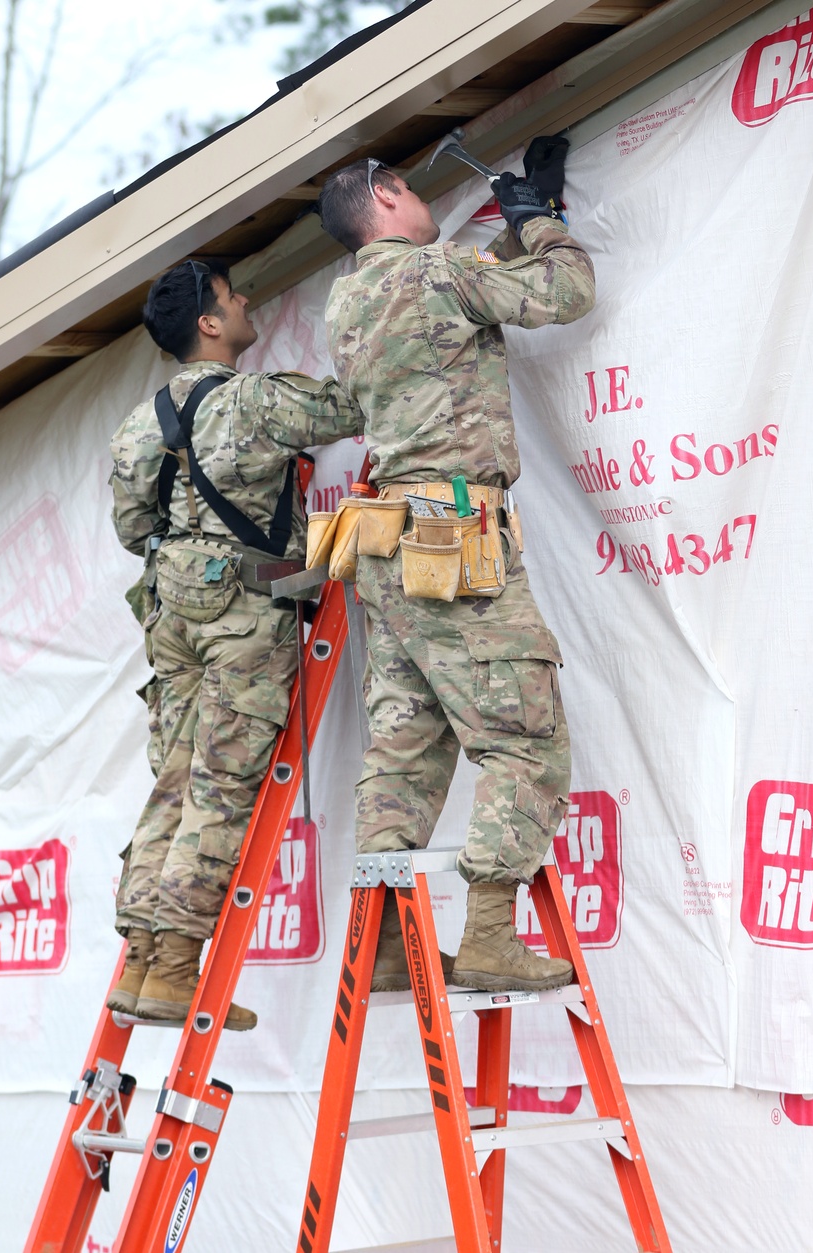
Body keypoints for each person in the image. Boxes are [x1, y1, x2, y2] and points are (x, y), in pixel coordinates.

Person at [317, 157, 595, 992]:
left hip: (386, 545)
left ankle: (388, 945)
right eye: (415, 188)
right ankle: (486, 935)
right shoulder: (442, 270)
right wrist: (540, 220)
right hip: (455, 538)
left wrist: (509, 229)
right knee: (525, 738)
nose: (431, 202)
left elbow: (463, 308)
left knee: (404, 744)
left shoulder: (345, 301)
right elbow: (563, 292)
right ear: (388, 196)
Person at [108, 258, 363, 1026]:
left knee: (175, 781)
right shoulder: (252, 401)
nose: (247, 298)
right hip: (240, 615)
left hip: (171, 616)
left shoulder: (138, 422)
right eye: (232, 295)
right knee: (221, 786)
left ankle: (143, 965)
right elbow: (353, 406)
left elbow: (131, 531)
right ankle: (180, 964)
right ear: (210, 324)